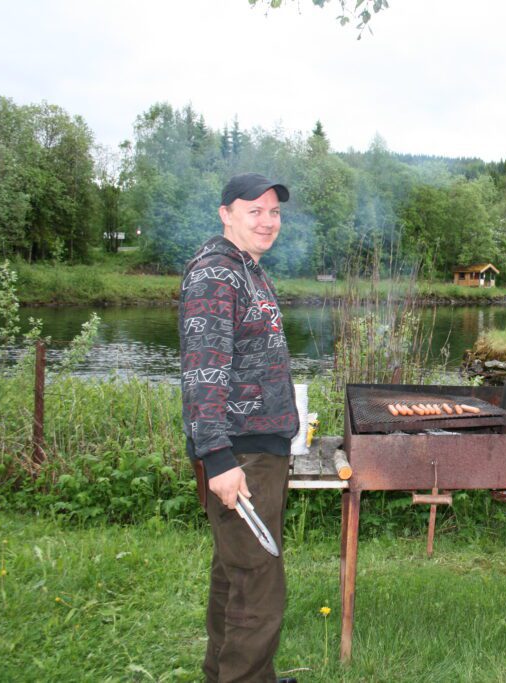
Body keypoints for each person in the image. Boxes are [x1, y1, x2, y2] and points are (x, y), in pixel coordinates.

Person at [179, 172, 300, 683]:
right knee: (257, 582)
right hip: (240, 453)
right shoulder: (216, 275)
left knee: (234, 575)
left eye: (274, 212)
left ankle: (223, 675)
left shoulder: (246, 269)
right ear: (226, 213)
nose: (268, 221)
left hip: (254, 447)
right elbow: (202, 374)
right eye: (255, 210)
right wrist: (219, 459)